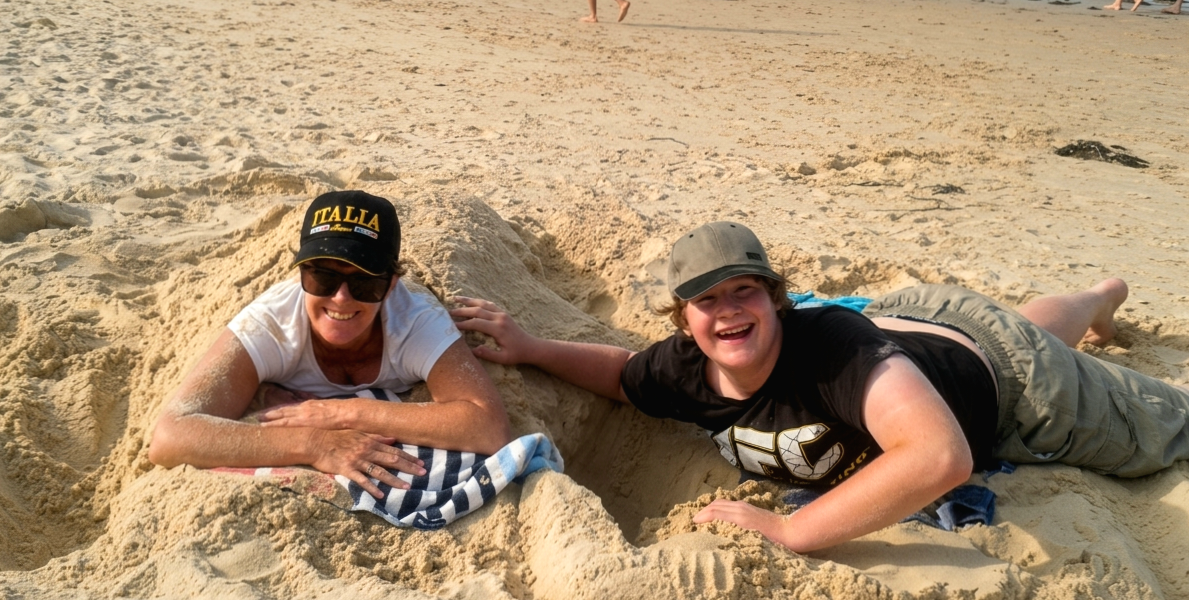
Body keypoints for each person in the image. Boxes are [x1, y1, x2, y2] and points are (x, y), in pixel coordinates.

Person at [449, 221, 1189, 553]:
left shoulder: (834, 351)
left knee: (1164, 430)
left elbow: (940, 459)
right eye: (707, 301)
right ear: (684, 318)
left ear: (776, 298)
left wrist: (790, 529)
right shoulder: (682, 364)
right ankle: (1098, 294)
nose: (727, 311)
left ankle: (1099, 294)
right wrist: (530, 347)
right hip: (915, 322)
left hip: (1008, 386)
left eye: (745, 291)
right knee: (1018, 320)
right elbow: (618, 374)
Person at [149, 191, 511, 500]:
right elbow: (171, 436)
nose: (340, 298)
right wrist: (316, 443)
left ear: (393, 284)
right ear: (300, 272)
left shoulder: (415, 319)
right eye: (322, 276)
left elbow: (488, 425)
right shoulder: (271, 323)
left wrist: (340, 413)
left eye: (365, 283)